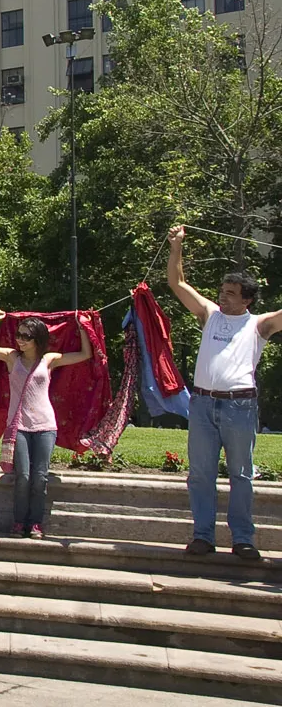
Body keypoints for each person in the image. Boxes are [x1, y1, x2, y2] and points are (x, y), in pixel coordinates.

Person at [167, 225, 278, 561]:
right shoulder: (210, 314)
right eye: (222, 290)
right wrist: (176, 247)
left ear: (247, 298)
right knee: (200, 474)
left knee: (241, 474)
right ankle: (203, 536)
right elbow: (178, 283)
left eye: (231, 292)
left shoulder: (260, 324)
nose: (223, 295)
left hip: (239, 407)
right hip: (201, 404)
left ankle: (243, 539)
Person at [0, 310, 94, 538]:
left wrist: (82, 325)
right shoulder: (11, 357)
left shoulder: (49, 360)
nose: (21, 339)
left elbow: (85, 354)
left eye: (27, 336)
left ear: (38, 339)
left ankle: (35, 523)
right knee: (24, 476)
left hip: (46, 426)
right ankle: (19, 523)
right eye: (19, 334)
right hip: (19, 426)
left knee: (40, 477)